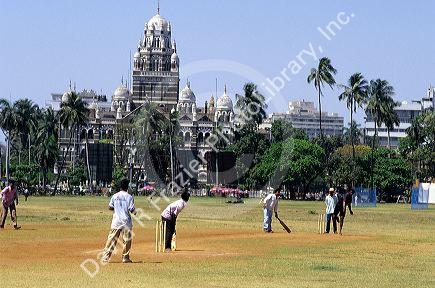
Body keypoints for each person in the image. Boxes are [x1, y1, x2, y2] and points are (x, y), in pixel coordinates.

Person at [102, 179, 136, 263]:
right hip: (126, 221)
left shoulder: (115, 196)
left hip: (116, 221)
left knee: (111, 240)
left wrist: (117, 208)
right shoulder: (129, 197)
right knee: (126, 240)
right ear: (127, 187)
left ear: (120, 186)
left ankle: (105, 257)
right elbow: (132, 210)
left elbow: (110, 207)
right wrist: (135, 212)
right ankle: (125, 258)